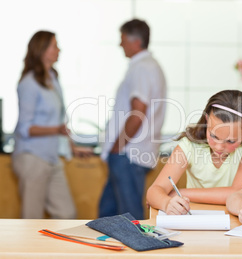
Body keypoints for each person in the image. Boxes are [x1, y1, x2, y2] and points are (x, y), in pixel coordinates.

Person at [147, 90, 242, 215]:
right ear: (207, 120)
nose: (219, 147)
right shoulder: (189, 145)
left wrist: (180, 193)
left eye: (231, 141)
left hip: (235, 221)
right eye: (213, 136)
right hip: (194, 218)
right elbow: (153, 192)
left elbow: (237, 193)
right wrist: (166, 203)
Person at [12, 31, 91, 219]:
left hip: (52, 157)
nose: (59, 50)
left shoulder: (53, 78)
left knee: (67, 214)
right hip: (32, 158)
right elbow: (25, 128)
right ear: (41, 50)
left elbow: (59, 122)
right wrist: (56, 130)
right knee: (32, 218)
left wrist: (72, 147)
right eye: (54, 46)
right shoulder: (29, 83)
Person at [99, 18, 167, 220]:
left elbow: (138, 112)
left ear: (136, 41)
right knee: (108, 214)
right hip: (132, 153)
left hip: (128, 154)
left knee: (128, 218)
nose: (120, 45)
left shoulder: (142, 68)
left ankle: (136, 251)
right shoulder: (149, 66)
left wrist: (117, 146)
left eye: (123, 40)